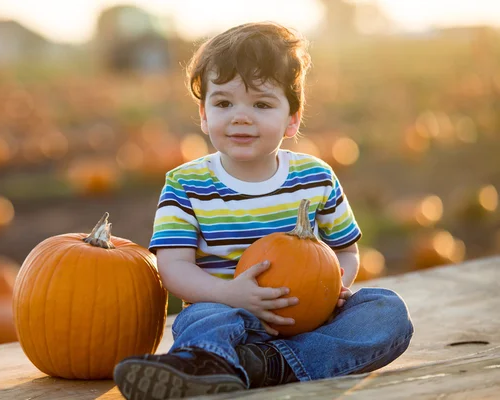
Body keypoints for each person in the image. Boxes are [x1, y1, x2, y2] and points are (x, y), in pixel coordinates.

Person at [114, 21, 414, 400]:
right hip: (225, 311)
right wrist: (231, 295)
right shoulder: (185, 184)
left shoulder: (316, 177)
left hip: (308, 319)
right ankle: (228, 361)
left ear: (292, 119)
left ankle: (251, 365)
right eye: (223, 103)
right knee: (199, 319)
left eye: (261, 104)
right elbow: (173, 268)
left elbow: (346, 251)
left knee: (386, 312)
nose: (241, 116)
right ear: (204, 115)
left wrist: (335, 285)